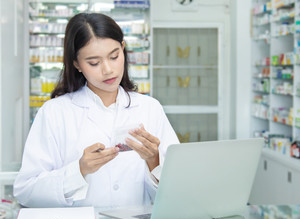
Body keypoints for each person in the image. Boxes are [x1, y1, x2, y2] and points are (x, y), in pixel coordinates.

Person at [14, 13, 179, 207]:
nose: (108, 69)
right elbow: (26, 191)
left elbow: (177, 192)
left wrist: (154, 161)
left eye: (114, 56)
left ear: (123, 50)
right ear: (77, 64)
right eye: (94, 62)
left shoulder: (150, 109)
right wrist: (79, 170)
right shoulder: (54, 113)